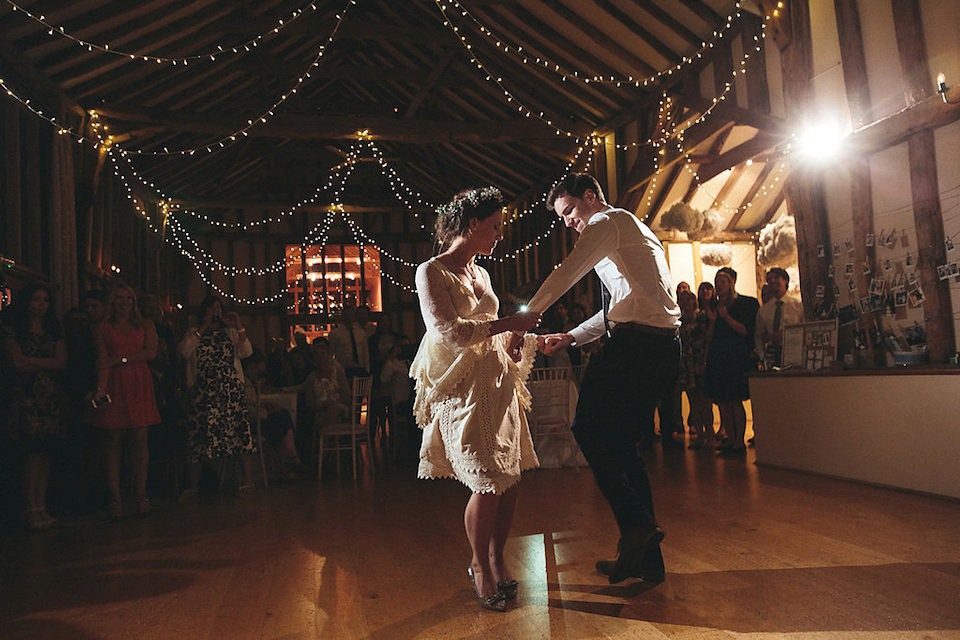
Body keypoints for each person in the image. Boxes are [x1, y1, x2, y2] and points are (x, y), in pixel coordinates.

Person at [521, 173, 680, 586]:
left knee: (588, 430)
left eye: (570, 211)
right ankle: (648, 558)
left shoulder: (606, 223)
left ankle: (636, 530)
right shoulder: (629, 229)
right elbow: (624, 306)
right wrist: (572, 336)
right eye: (564, 217)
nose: (569, 222)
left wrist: (523, 321)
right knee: (621, 447)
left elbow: (567, 273)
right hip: (658, 346)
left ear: (591, 198)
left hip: (636, 347)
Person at [411, 186, 541, 612]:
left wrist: (514, 338)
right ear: (471, 225)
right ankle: (478, 564)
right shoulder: (431, 271)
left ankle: (497, 559)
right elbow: (448, 330)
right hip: (462, 390)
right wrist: (507, 320)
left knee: (509, 477)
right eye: (495, 226)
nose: (500, 234)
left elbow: (490, 329)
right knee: (486, 480)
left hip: (497, 383)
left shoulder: (480, 274)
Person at [91, 284, 162, 519]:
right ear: (112, 301)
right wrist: (100, 390)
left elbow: (151, 352)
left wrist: (120, 359)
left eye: (128, 298)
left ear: (134, 302)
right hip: (114, 382)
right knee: (113, 437)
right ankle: (115, 496)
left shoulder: (146, 325)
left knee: (140, 437)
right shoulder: (103, 327)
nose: (123, 303)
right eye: (119, 298)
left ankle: (141, 493)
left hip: (138, 380)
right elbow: (103, 361)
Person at [2, 283, 67, 530]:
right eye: (36, 300)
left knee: (45, 452)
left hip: (49, 397)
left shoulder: (53, 330)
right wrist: (43, 363)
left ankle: (41, 504)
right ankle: (30, 507)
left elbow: (61, 362)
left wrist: (31, 361)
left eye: (45, 300)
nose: (41, 305)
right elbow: (15, 362)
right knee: (31, 451)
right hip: (26, 398)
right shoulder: (12, 330)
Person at [178, 295, 257, 497]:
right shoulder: (193, 333)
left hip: (229, 392)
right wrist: (202, 328)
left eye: (218, 308)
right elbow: (184, 352)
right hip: (203, 392)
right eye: (211, 308)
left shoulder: (230, 333)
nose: (215, 312)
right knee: (199, 437)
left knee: (239, 435)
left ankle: (248, 481)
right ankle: (193, 485)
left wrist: (238, 326)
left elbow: (247, 352)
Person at [703, 267, 759, 454]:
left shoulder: (744, 304)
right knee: (723, 401)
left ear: (731, 283)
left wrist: (726, 317)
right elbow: (709, 338)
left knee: (735, 399)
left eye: (723, 282)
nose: (719, 286)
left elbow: (745, 331)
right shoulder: (713, 307)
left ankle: (739, 440)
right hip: (718, 355)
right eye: (717, 282)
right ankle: (729, 438)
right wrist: (712, 320)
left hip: (735, 354)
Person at [678, 290, 714, 449]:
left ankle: (710, 433)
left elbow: (707, 338)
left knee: (705, 401)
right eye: (682, 301)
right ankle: (699, 436)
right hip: (687, 362)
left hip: (700, 359)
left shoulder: (702, 317)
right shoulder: (680, 321)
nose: (686, 303)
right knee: (693, 401)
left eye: (688, 300)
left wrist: (705, 360)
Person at [755, 267, 803, 369]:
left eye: (776, 277)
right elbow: (758, 336)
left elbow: (805, 329)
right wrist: (762, 357)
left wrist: (786, 335)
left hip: (793, 351)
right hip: (772, 353)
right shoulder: (764, 310)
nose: (772, 281)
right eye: (769, 279)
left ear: (785, 280)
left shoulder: (798, 305)